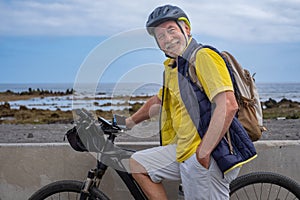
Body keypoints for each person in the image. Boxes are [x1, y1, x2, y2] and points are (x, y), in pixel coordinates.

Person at [125, 4, 257, 200]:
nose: (167, 39)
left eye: (171, 30)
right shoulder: (174, 66)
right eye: (160, 36)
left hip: (208, 154)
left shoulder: (203, 57)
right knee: (137, 164)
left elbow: (228, 105)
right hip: (183, 151)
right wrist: (125, 123)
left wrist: (203, 152)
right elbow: (158, 101)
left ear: (186, 29)